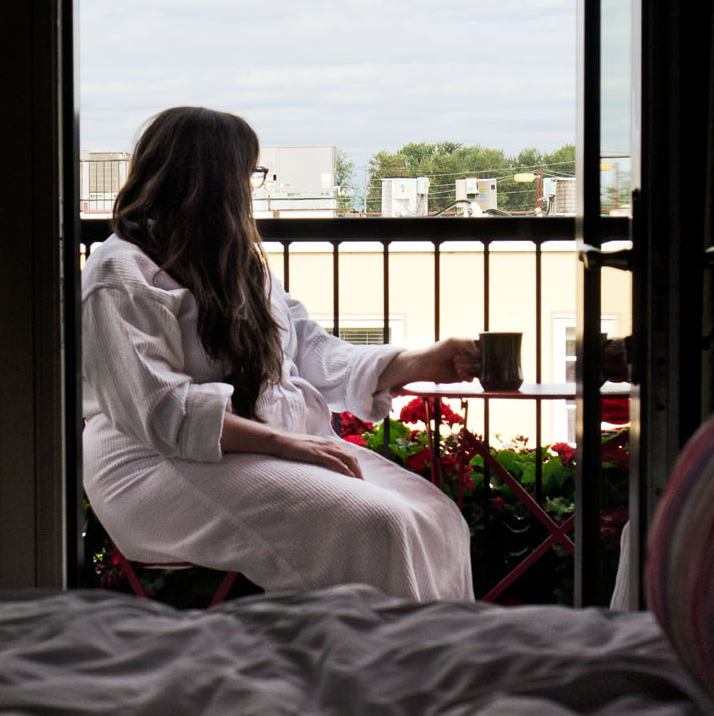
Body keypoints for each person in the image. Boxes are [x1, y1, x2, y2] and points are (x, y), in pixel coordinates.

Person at [82, 107, 477, 601]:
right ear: (214, 180)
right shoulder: (120, 273)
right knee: (378, 526)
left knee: (438, 518)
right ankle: (379, 669)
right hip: (154, 463)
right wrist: (284, 444)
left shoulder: (237, 264)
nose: (253, 187)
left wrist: (418, 361)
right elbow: (162, 411)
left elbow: (310, 351)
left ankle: (438, 663)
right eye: (250, 173)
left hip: (257, 445)